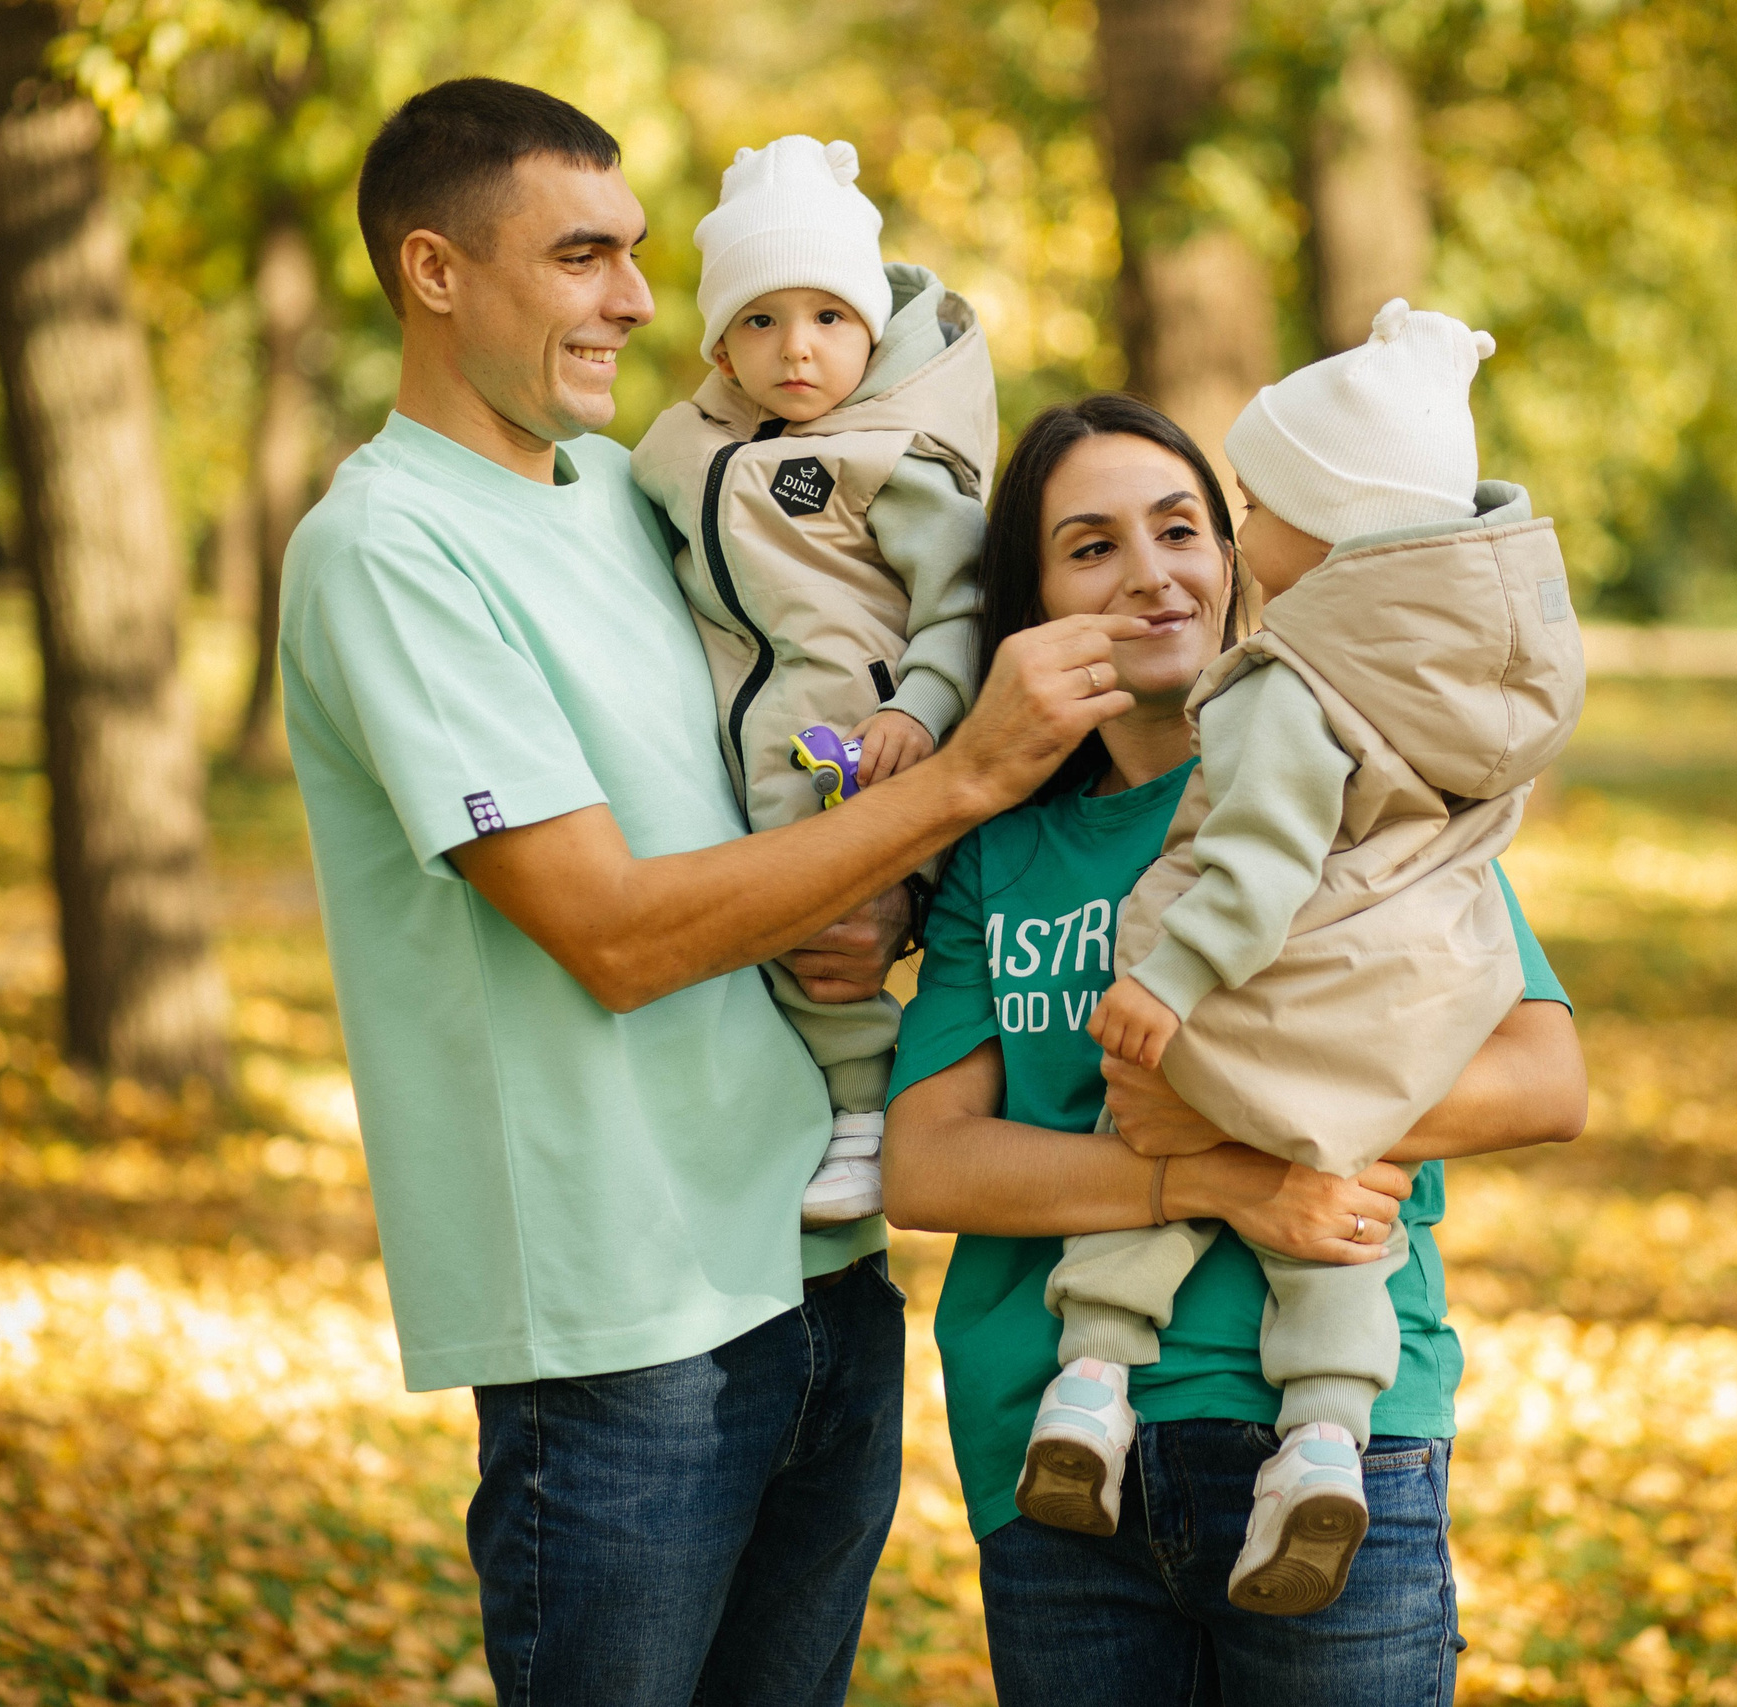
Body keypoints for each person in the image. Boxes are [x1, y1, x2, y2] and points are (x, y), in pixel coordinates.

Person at [275, 80, 1140, 1707]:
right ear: (434, 270)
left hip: (824, 1263)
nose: (635, 299)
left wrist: (883, 882)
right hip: (624, 1322)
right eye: (582, 256)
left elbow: (785, 775)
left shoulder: (642, 492)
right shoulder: (388, 547)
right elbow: (610, 930)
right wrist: (963, 779)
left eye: (636, 253)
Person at [884, 393, 1589, 1706]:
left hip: (1335, 1443)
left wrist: (1247, 1115)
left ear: (1235, 557)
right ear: (1032, 601)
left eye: (1180, 529)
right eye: (1091, 547)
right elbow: (925, 1164)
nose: (1150, 573)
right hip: (1055, 1450)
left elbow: (1546, 1079)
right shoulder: (1002, 851)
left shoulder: (1370, 793)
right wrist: (1209, 1178)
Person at [633, 133, 993, 1228]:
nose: (797, 347)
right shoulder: (679, 448)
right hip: (744, 734)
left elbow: (962, 603)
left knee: (826, 931)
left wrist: (918, 708)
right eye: (761, 321)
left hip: (854, 739)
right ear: (720, 345)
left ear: (870, 329)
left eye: (829, 317)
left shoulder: (888, 457)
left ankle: (864, 1110)